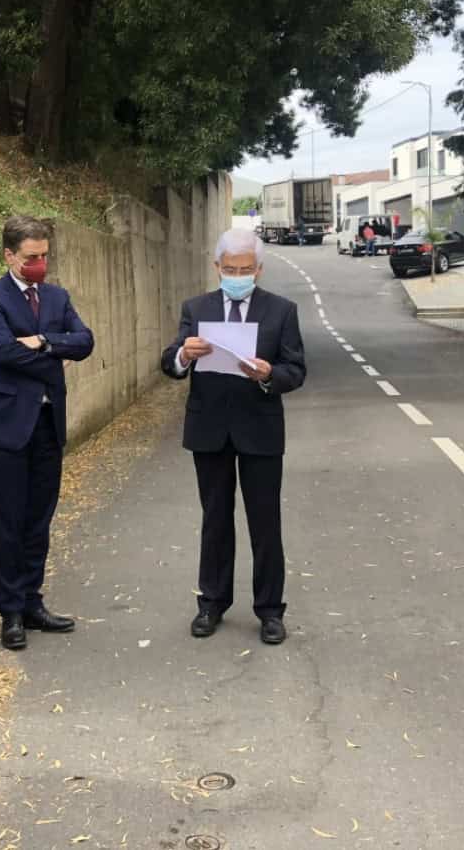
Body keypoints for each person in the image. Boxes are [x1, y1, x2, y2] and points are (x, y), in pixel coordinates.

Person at [160, 228, 306, 646]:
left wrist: (268, 375)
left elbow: (295, 370)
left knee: (265, 522)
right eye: (229, 269)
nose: (237, 275)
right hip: (209, 429)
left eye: (245, 270)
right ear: (217, 268)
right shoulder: (197, 308)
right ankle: (212, 602)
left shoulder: (281, 311)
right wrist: (184, 355)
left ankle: (270, 610)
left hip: (259, 428)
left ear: (258, 270)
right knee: (215, 519)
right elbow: (169, 363)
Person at [0, 216, 95, 650]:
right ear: (9, 255)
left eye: (44, 256)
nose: (39, 264)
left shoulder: (57, 297)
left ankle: (33, 601)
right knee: (8, 522)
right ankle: (10, 612)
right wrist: (57, 348)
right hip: (3, 427)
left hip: (46, 424)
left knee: (39, 518)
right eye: (30, 258)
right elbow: (2, 352)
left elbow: (86, 341)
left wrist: (41, 342)